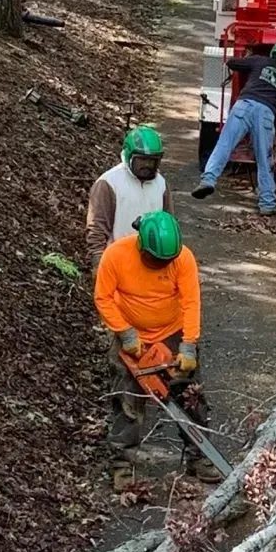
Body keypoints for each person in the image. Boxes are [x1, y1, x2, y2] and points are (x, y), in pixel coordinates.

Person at [93, 209, 206, 490]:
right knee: (127, 398)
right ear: (141, 245)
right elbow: (103, 298)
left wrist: (189, 345)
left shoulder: (183, 258)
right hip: (130, 332)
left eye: (165, 260)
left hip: (172, 330)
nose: (160, 264)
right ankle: (122, 464)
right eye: (155, 259)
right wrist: (125, 332)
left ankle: (198, 456)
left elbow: (191, 301)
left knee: (190, 395)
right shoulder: (117, 255)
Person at [192, 40, 276, 216]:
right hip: (265, 114)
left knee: (224, 144)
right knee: (264, 159)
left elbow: (232, 63)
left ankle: (209, 179)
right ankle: (267, 204)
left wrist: (248, 57)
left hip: (243, 105)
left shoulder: (260, 61)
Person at [86, 124, 168, 267]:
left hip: (153, 263)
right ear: (129, 157)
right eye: (141, 160)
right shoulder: (109, 183)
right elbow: (97, 227)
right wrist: (97, 260)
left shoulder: (161, 184)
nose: (147, 165)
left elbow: (168, 222)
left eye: (152, 161)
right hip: (117, 263)